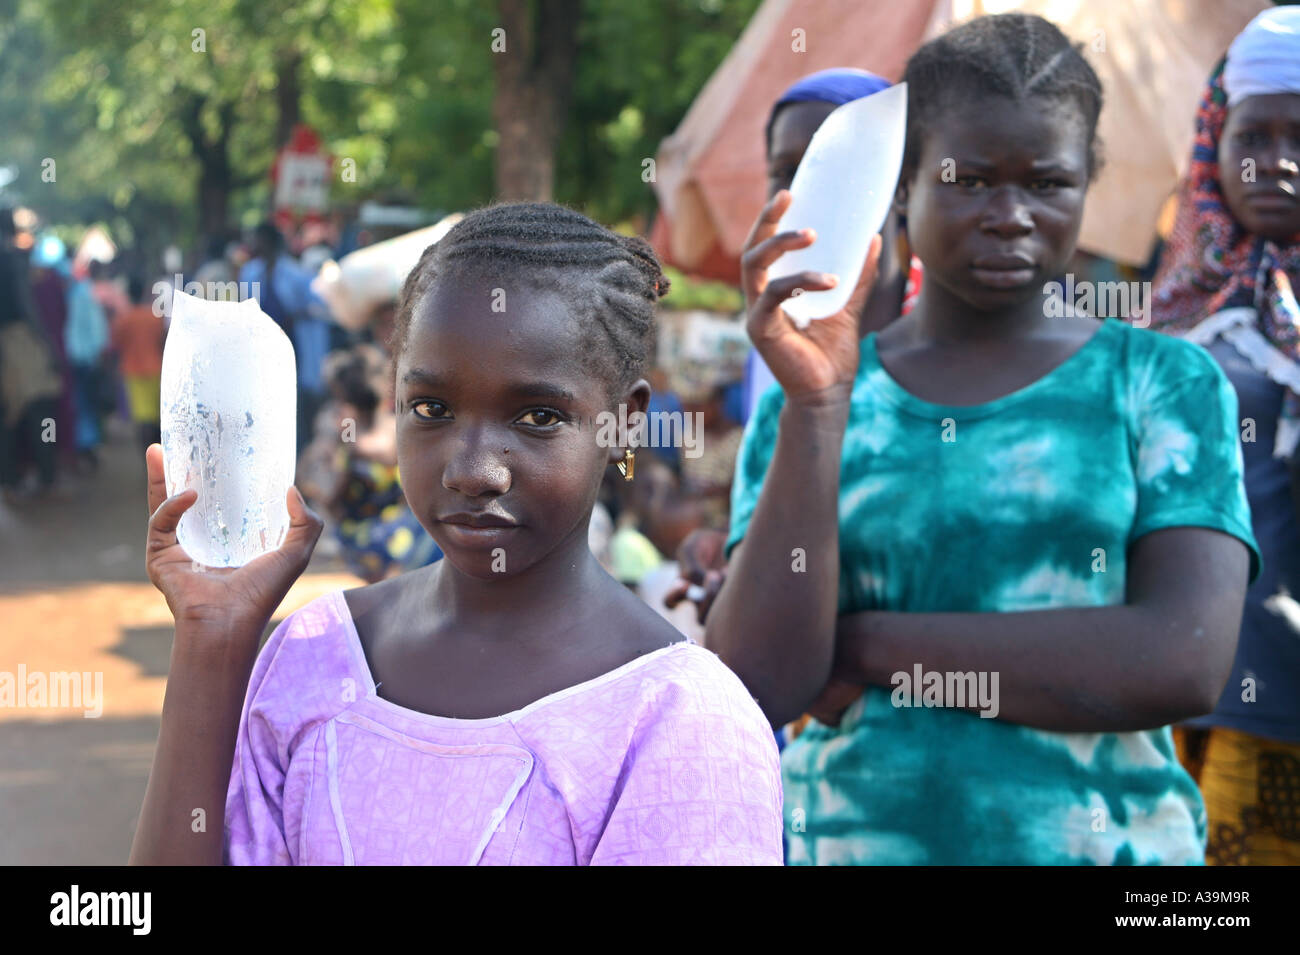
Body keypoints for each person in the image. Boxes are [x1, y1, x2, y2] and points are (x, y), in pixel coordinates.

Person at [707, 13, 1260, 865]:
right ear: (904, 186)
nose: (1010, 215)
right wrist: (819, 408)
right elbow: (760, 681)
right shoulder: (812, 396)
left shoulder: (1164, 384)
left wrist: (864, 642)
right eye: (969, 181)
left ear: (1088, 183)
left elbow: (1177, 662)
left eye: (1047, 183)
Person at [131, 202, 783, 866]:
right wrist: (211, 643)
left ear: (624, 422)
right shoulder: (315, 658)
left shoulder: (681, 724)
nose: (474, 470)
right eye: (432, 408)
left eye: (537, 415)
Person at [666, 67, 921, 626]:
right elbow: (776, 510)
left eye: (832, 167)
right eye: (785, 171)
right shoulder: (772, 338)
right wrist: (732, 556)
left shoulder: (944, 334)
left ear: (900, 184)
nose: (805, 192)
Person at [1139, 7, 1300, 866]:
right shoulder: (1169, 314)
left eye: (1299, 134)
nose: (1275, 159)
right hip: (1172, 699)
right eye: (1254, 133)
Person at [109, 276, 166, 458]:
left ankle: (147, 458)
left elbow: (116, 344)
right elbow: (162, 341)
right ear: (143, 292)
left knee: (143, 417)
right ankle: (159, 455)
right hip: (156, 369)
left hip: (133, 372)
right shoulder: (155, 317)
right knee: (158, 415)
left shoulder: (123, 320)